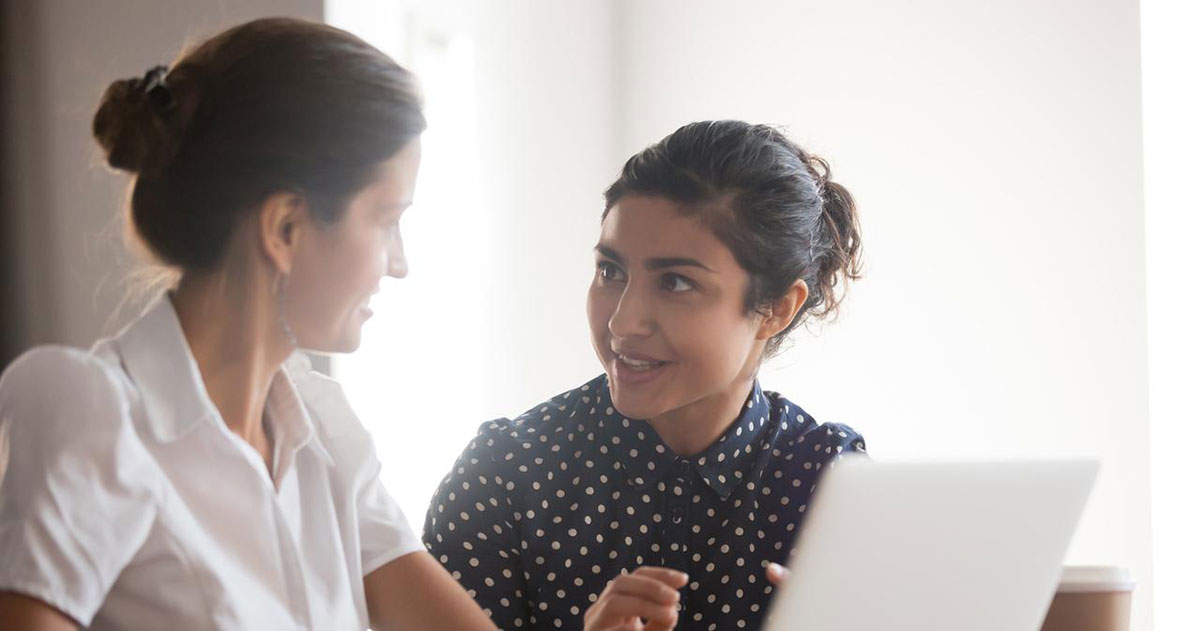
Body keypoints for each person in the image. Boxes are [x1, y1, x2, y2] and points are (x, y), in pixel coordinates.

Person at [0, 18, 495, 631]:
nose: (399, 264)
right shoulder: (93, 411)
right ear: (284, 228)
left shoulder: (323, 431)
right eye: (386, 220)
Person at [425, 120, 868, 631]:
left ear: (776, 308)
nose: (622, 322)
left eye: (675, 282)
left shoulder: (833, 485)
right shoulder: (504, 475)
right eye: (610, 271)